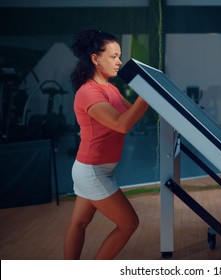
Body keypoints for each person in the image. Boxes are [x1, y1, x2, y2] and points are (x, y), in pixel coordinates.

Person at [63, 29, 149, 260]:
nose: (119, 61)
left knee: (79, 223)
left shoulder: (110, 88)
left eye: (119, 56)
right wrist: (148, 94)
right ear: (95, 58)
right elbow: (122, 125)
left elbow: (133, 113)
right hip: (92, 171)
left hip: (96, 169)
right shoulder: (88, 93)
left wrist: (149, 97)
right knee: (129, 223)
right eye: (113, 56)